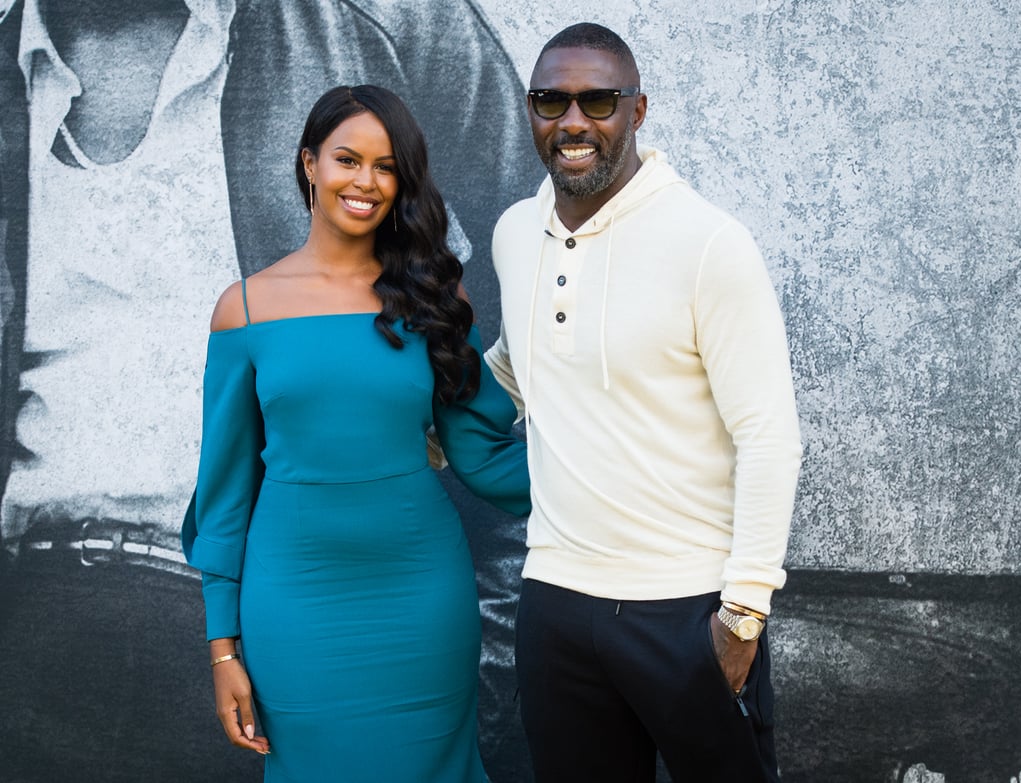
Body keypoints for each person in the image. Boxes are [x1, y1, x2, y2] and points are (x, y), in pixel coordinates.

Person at [181, 84, 530, 782]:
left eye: (387, 165)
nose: (366, 181)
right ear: (310, 163)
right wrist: (224, 649)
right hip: (292, 606)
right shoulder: (243, 310)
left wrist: (617, 473)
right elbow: (223, 499)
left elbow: (485, 456)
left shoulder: (434, 299)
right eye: (348, 159)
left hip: (423, 601)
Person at [484, 23, 803, 782]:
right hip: (555, 600)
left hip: (686, 608)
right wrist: (428, 418)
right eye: (550, 101)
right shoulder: (513, 236)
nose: (572, 121)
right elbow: (515, 362)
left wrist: (742, 616)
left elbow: (769, 436)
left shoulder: (707, 243)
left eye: (598, 100)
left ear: (638, 110)